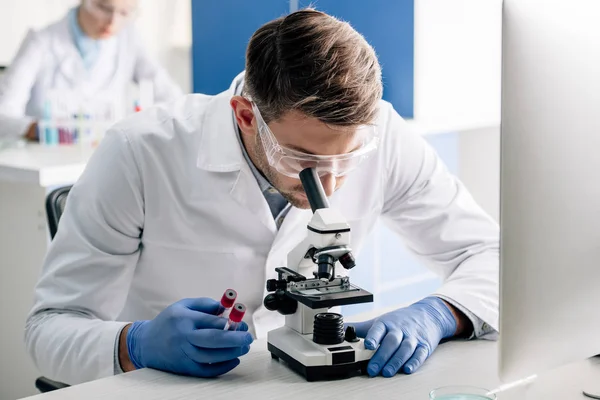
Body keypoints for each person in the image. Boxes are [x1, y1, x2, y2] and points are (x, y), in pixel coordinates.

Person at [25, 9, 499, 385]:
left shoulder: (386, 135)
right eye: (303, 159)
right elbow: (49, 329)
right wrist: (135, 344)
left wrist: (443, 312)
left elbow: (494, 256)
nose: (328, 187)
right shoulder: (139, 152)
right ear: (246, 115)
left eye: (346, 162)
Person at [0, 0, 182, 142]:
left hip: (105, 158)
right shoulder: (41, 42)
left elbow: (169, 94)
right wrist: (40, 130)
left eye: (125, 12)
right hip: (46, 163)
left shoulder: (129, 39)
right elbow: (4, 115)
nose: (113, 21)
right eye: (104, 8)